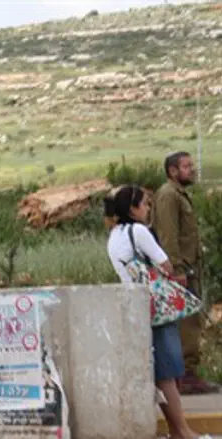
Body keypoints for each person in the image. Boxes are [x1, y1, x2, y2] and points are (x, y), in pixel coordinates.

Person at [104, 186, 210, 439]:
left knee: (160, 374)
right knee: (167, 373)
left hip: (135, 307)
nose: (149, 208)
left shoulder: (114, 236)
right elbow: (165, 263)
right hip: (157, 309)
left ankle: (177, 430)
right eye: (145, 204)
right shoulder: (138, 231)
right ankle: (183, 431)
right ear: (133, 208)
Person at [151, 151, 218, 395]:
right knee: (187, 324)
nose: (192, 169)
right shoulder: (168, 196)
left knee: (192, 322)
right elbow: (168, 236)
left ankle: (188, 374)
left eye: (192, 165)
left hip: (190, 269)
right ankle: (187, 376)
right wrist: (177, 270)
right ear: (172, 171)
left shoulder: (179, 195)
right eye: (186, 166)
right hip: (182, 272)